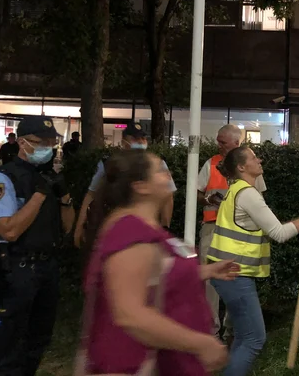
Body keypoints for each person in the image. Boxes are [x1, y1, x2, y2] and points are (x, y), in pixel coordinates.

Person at [79, 149, 236, 375]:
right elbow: (130, 315)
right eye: (161, 171)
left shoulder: (145, 227)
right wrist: (201, 343)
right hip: (133, 365)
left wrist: (204, 271)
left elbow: (157, 275)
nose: (168, 176)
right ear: (140, 186)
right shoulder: (129, 233)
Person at [207, 146, 299, 376]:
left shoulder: (235, 190)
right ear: (242, 167)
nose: (259, 160)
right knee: (254, 339)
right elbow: (279, 233)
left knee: (243, 336)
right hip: (234, 275)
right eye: (253, 158)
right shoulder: (249, 194)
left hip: (227, 273)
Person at [0, 116, 75, 376]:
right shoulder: (2, 178)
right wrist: (39, 195)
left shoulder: (48, 177)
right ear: (22, 142)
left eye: (51, 143)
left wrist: (64, 199)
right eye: (41, 142)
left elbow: (67, 227)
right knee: (8, 345)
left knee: (38, 340)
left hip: (46, 268)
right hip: (16, 269)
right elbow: (9, 230)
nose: (47, 148)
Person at [196, 124, 266, 335]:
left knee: (235, 278)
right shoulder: (211, 163)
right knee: (210, 282)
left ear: (236, 143)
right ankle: (212, 330)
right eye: (218, 140)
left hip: (238, 234)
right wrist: (208, 198)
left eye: (222, 142)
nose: (218, 145)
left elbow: (260, 199)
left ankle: (231, 328)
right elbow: (196, 193)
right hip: (212, 227)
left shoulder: (250, 166)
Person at [74, 122, 176, 249]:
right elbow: (91, 194)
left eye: (142, 138)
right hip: (113, 227)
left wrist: (164, 227)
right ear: (123, 142)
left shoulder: (157, 164)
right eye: (134, 139)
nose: (140, 142)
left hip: (144, 229)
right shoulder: (109, 164)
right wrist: (80, 227)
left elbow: (168, 197)